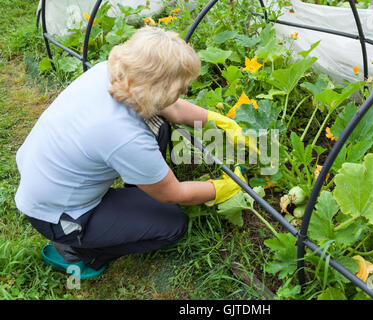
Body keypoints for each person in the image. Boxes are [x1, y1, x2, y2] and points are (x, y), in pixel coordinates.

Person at [14, 27, 253, 278]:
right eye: (181, 86)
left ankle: (133, 200)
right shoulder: (123, 134)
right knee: (173, 223)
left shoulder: (111, 74)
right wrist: (226, 187)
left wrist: (223, 122)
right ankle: (77, 251)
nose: (185, 91)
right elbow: (174, 193)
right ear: (158, 89)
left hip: (48, 178)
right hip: (58, 215)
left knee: (159, 129)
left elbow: (174, 109)